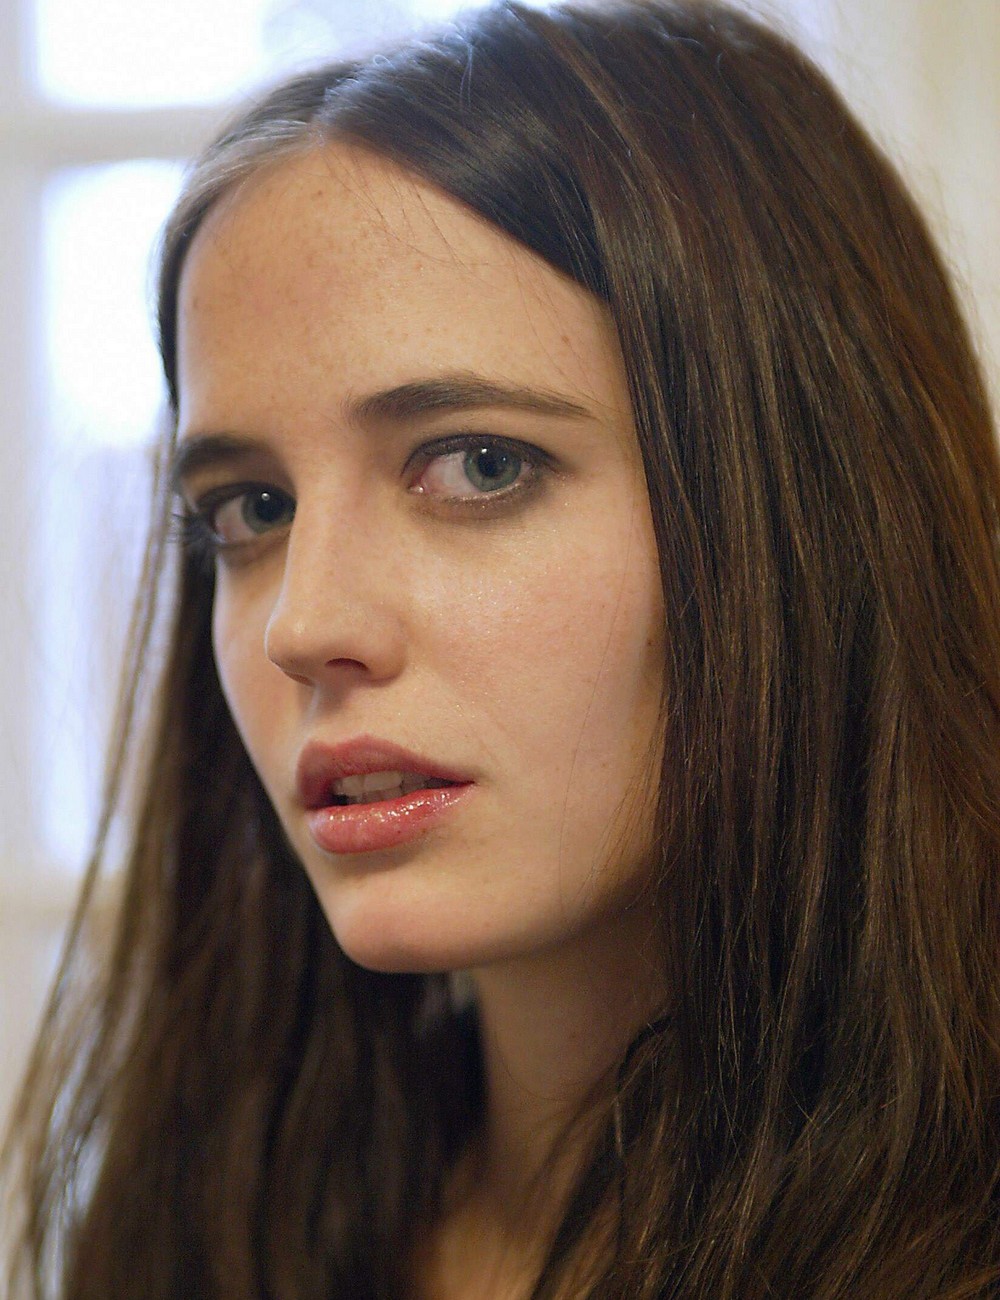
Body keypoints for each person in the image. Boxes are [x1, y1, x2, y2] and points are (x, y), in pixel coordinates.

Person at [3, 1, 999, 1296]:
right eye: (251, 510)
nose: (305, 625)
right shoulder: (203, 1240)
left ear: (813, 506)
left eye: (479, 465)